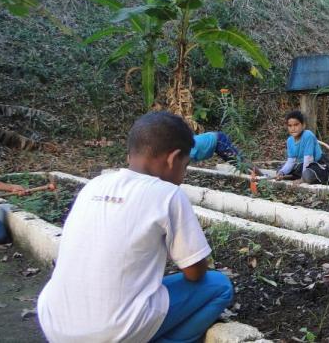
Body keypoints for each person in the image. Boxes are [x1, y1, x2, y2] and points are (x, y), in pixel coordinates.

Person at [38, 111, 233, 343]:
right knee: (220, 286)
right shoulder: (167, 194)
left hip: (54, 324)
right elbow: (194, 272)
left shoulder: (94, 185)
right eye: (185, 165)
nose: (183, 175)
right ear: (173, 158)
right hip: (110, 331)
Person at [275, 110, 329, 185]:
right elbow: (291, 162)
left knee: (307, 175)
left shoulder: (308, 135)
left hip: (318, 165)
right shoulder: (289, 141)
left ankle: (322, 179)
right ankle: (290, 176)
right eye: (290, 126)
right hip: (303, 165)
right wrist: (282, 172)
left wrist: (302, 179)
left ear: (303, 125)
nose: (293, 128)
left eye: (296, 125)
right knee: (280, 169)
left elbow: (308, 159)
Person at [190, 131, 262, 175]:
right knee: (236, 164)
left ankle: (262, 176)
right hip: (213, 140)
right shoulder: (184, 145)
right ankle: (252, 177)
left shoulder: (186, 148)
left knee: (239, 160)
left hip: (219, 140)